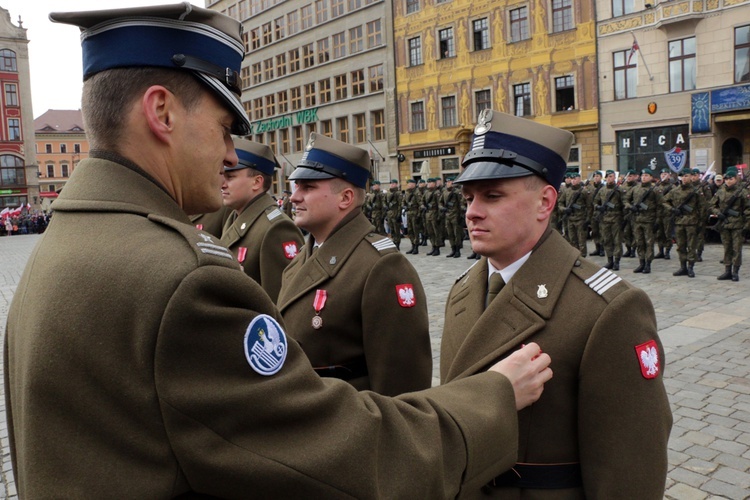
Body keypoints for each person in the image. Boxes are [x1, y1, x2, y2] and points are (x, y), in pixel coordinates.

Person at [4, 6, 554, 497]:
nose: (227, 155)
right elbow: (343, 452)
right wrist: (492, 400)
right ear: (162, 113)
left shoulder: (68, 241)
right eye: (223, 129)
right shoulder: (182, 280)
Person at [440, 109, 672, 497]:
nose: (472, 212)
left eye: (493, 196)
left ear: (544, 202)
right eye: (468, 197)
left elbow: (631, 470)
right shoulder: (464, 290)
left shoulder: (609, 309)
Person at [277, 133, 432, 396]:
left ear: (345, 198)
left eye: (308, 187)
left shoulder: (381, 267)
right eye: (296, 187)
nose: (295, 197)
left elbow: (402, 392)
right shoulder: (302, 259)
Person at [219, 138, 304, 302]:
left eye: (230, 177)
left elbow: (278, 302)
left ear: (256, 182)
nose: (222, 183)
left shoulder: (275, 228)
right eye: (223, 175)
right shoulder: (233, 218)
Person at [663, 167, 707, 278]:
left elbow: (703, 207)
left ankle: (691, 267)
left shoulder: (696, 191)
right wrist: (672, 209)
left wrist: (701, 222)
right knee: (680, 246)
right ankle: (683, 266)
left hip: (692, 222)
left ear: (691, 177)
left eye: (686, 176)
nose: (684, 178)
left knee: (691, 246)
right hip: (679, 222)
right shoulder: (675, 190)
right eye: (682, 176)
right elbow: (664, 201)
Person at [709, 168, 749, 281]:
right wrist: (718, 213)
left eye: (730, 179)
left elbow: (747, 210)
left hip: (737, 225)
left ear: (736, 179)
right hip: (724, 225)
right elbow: (711, 205)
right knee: (727, 248)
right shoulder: (721, 191)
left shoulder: (742, 192)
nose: (728, 181)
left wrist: (746, 226)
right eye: (726, 179)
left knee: (737, 249)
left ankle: (735, 272)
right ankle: (727, 270)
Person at [624, 167, 661, 274]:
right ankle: (641, 263)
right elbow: (625, 200)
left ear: (651, 177)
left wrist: (657, 221)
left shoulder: (655, 190)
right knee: (639, 242)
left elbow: (660, 206)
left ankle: (648, 264)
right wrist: (631, 207)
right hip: (637, 219)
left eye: (646, 176)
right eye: (643, 176)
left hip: (649, 220)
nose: (644, 178)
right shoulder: (635, 189)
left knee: (649, 243)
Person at [593, 169, 625, 270]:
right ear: (605, 178)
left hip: (616, 218)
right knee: (607, 240)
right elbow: (595, 202)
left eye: (612, 176)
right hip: (604, 219)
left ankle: (616, 261)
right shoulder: (602, 190)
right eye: (608, 176)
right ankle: (610, 260)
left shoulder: (619, 190)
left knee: (617, 241)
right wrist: (598, 207)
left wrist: (624, 219)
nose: (610, 178)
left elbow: (624, 204)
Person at [558, 171, 590, 257]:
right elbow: (560, 203)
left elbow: (589, 207)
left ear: (579, 179)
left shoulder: (583, 192)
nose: (573, 181)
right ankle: (575, 257)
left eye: (575, 179)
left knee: (581, 241)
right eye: (572, 179)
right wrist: (565, 210)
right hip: (570, 219)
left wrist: (588, 220)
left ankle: (583, 257)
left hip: (580, 219)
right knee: (572, 240)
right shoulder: (567, 191)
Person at [441, 176, 464, 258]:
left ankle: (458, 250)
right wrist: (442, 208)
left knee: (456, 233)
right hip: (447, 215)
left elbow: (461, 203)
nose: (448, 183)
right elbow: (440, 203)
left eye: (450, 182)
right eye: (447, 182)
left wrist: (461, 215)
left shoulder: (457, 192)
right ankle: (453, 249)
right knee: (450, 233)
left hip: (455, 215)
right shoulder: (444, 192)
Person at [403, 178, 421, 254]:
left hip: (415, 213)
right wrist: (404, 207)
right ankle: (412, 245)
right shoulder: (407, 193)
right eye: (408, 184)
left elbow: (420, 204)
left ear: (414, 184)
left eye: (410, 183)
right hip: (409, 213)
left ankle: (416, 247)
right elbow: (403, 202)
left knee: (415, 230)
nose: (408, 185)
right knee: (410, 230)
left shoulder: (417, 193)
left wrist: (419, 215)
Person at [384, 178, 403, 250]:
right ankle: (394, 242)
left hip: (395, 213)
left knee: (396, 230)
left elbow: (400, 205)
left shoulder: (398, 193)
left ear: (396, 184)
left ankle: (397, 243)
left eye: (393, 183)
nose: (392, 185)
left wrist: (399, 214)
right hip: (389, 213)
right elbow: (384, 201)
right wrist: (385, 207)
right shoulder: (388, 193)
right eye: (391, 183)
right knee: (391, 229)